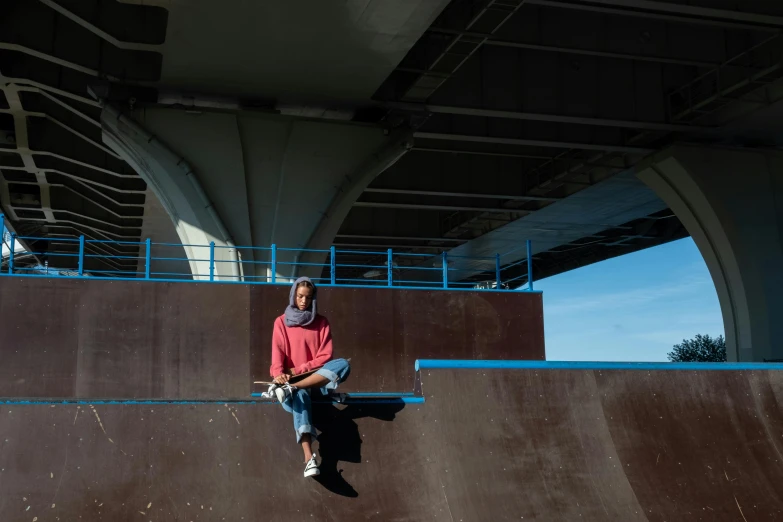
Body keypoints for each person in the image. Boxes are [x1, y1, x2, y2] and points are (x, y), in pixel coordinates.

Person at [264, 276, 351, 478]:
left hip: (315, 383)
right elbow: (277, 357)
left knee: (343, 364)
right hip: (293, 388)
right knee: (300, 395)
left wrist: (298, 371)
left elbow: (325, 357)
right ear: (293, 295)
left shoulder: (321, 323)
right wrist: (279, 376)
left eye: (308, 297)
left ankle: (301, 389)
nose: (304, 301)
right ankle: (309, 458)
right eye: (300, 296)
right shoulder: (281, 323)